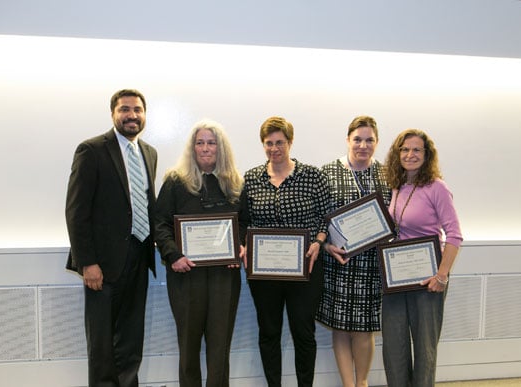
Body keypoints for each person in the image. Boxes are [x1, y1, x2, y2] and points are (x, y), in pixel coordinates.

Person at [65, 89, 157, 387]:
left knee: (131, 340)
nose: (132, 115)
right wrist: (87, 263)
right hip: (102, 265)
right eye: (125, 109)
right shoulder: (91, 150)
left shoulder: (149, 153)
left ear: (144, 114)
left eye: (138, 110)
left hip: (139, 257)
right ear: (113, 113)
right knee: (103, 344)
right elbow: (76, 211)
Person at [155, 119, 248, 387]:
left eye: (211, 142)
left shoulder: (234, 183)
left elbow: (244, 222)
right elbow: (160, 223)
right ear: (192, 148)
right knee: (188, 345)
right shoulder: (176, 181)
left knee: (220, 346)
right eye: (200, 143)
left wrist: (239, 246)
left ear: (221, 148)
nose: (205, 148)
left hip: (223, 275)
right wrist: (173, 256)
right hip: (187, 275)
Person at [241, 116, 330, 387]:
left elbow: (327, 217)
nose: (274, 148)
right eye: (268, 143)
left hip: (305, 269)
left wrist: (319, 241)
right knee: (269, 332)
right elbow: (243, 220)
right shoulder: (251, 178)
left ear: (290, 142)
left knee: (304, 333)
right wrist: (244, 246)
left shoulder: (313, 176)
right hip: (264, 273)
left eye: (280, 142)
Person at [381, 128, 463, 387]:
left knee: (425, 348)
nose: (410, 154)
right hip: (396, 279)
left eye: (416, 149)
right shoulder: (396, 184)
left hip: (428, 279)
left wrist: (442, 275)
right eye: (404, 149)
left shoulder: (437, 187)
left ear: (427, 155)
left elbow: (454, 235)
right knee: (394, 345)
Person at [316, 116, 392, 387]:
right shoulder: (327, 172)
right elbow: (318, 218)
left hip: (372, 264)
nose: (363, 145)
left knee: (364, 327)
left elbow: (394, 218)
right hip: (339, 262)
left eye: (369, 140)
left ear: (376, 142)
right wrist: (325, 245)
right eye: (357, 139)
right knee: (340, 326)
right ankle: (348, 384)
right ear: (348, 140)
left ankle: (362, 382)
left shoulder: (387, 174)